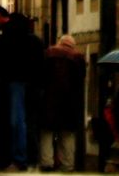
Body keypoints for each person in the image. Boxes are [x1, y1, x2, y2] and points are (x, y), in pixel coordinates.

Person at [0, 5, 45, 171]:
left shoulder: (7, 37)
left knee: (16, 121)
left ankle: (19, 158)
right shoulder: (32, 37)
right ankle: (29, 158)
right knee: (28, 122)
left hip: (15, 81)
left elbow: (0, 61)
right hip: (33, 84)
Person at [38, 35, 85, 172]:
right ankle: (67, 165)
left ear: (60, 43)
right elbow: (80, 81)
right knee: (67, 135)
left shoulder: (48, 53)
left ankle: (47, 163)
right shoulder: (78, 58)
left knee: (46, 133)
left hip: (49, 101)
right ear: (72, 46)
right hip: (69, 104)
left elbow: (40, 77)